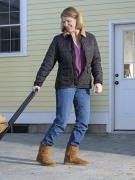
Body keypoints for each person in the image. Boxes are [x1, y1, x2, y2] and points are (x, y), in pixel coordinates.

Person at [32, 7, 103, 166]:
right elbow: (48, 62)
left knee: (83, 122)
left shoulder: (90, 39)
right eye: (63, 21)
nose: (66, 24)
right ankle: (43, 152)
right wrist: (38, 82)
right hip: (65, 84)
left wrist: (98, 81)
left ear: (77, 19)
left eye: (68, 21)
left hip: (83, 85)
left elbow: (96, 62)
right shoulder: (59, 40)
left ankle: (71, 155)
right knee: (62, 120)